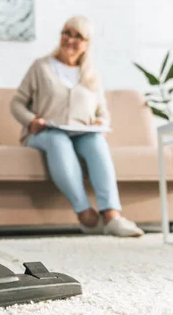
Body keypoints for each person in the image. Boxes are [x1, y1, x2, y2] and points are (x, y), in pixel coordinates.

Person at [9, 15, 144, 237]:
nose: (70, 39)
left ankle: (112, 216)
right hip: (45, 133)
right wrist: (31, 121)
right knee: (57, 140)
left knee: (97, 142)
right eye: (66, 33)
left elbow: (103, 111)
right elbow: (17, 103)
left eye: (77, 36)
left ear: (87, 44)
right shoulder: (41, 67)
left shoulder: (90, 74)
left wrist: (101, 121)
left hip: (82, 132)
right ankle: (85, 214)